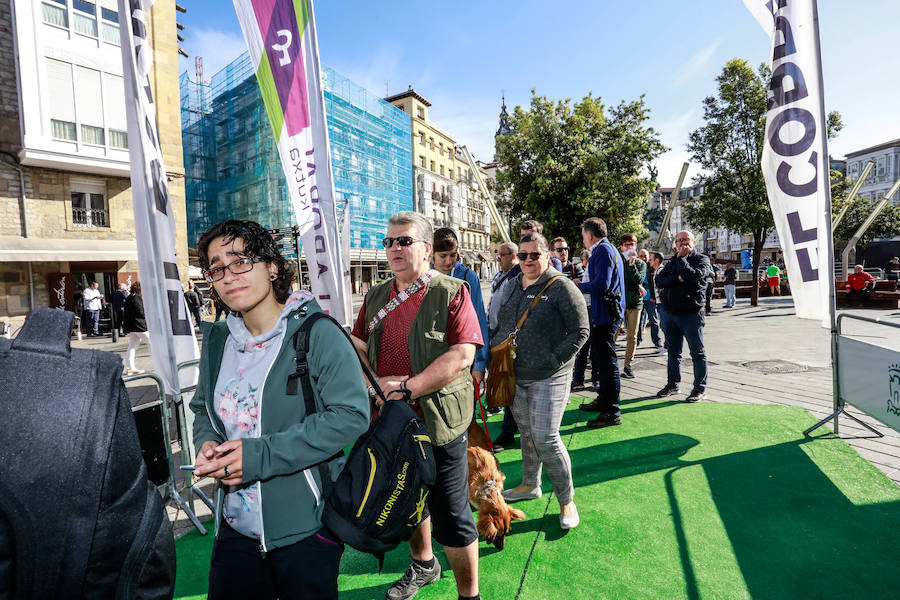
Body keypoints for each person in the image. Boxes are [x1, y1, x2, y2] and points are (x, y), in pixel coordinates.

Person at [191, 219, 369, 600]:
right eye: (218, 266)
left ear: (272, 266)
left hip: (305, 528)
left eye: (241, 260)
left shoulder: (316, 331)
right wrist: (208, 442)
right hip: (234, 528)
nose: (228, 275)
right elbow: (203, 409)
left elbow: (351, 415)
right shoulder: (217, 338)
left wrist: (259, 455)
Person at [350, 211, 482, 600]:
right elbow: (357, 348)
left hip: (439, 421)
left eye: (403, 241)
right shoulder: (375, 295)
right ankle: (424, 565)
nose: (394, 248)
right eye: (389, 242)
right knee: (406, 499)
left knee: (453, 515)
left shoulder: (451, 290)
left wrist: (406, 387)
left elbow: (462, 354)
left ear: (426, 248)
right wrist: (373, 385)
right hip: (391, 422)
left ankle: (469, 595)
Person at [495, 232, 588, 530]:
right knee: (526, 432)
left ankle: (566, 500)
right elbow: (501, 324)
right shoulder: (512, 285)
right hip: (514, 373)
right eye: (523, 255)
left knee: (546, 437)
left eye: (535, 255)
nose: (528, 261)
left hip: (551, 375)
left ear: (547, 255)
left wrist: (552, 360)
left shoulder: (561, 286)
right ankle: (529, 485)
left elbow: (581, 331)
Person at [576, 217, 625, 429]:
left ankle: (612, 410)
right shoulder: (607, 249)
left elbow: (602, 284)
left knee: (607, 363)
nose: (583, 241)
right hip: (605, 312)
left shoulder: (603, 250)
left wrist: (579, 285)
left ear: (589, 235)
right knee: (602, 360)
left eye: (583, 236)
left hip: (605, 314)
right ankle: (604, 401)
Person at [655, 231, 710, 403]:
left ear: (693, 242)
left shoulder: (701, 259)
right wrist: (678, 277)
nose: (682, 243)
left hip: (691, 314)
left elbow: (693, 276)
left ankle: (699, 389)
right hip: (671, 314)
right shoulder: (673, 260)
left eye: (685, 240)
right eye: (679, 240)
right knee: (673, 352)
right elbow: (659, 281)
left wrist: (681, 261)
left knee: (697, 353)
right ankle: (673, 385)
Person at [432, 227, 490, 388]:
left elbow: (478, 320)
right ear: (432, 254)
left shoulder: (468, 276)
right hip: (430, 358)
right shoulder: (424, 275)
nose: (449, 261)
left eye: (453, 255)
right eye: (443, 256)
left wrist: (479, 364)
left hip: (463, 355)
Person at [488, 242, 521, 451]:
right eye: (497, 254)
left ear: (513, 255)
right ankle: (509, 427)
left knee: (510, 384)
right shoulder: (500, 275)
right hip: (497, 334)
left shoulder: (517, 274)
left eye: (502, 255)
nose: (498, 258)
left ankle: (509, 431)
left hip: (509, 338)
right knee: (503, 382)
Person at [617, 234, 646, 380]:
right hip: (618, 303)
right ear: (621, 247)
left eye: (632, 244)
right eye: (627, 245)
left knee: (632, 336)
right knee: (613, 334)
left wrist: (631, 264)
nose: (630, 247)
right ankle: (607, 363)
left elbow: (638, 279)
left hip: (635, 304)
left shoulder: (640, 263)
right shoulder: (617, 261)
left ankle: (628, 365)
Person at [638, 251, 665, 351]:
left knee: (653, 320)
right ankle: (638, 340)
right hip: (639, 298)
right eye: (641, 256)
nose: (643, 258)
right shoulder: (636, 265)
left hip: (650, 298)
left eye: (645, 256)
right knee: (639, 321)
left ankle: (657, 341)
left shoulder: (651, 267)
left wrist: (653, 296)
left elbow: (654, 283)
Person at [123, 282, 149, 376]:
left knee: (132, 346)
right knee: (153, 343)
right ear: (139, 289)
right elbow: (141, 311)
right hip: (139, 325)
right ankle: (162, 365)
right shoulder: (137, 297)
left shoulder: (129, 297)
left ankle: (130, 367)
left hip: (132, 326)